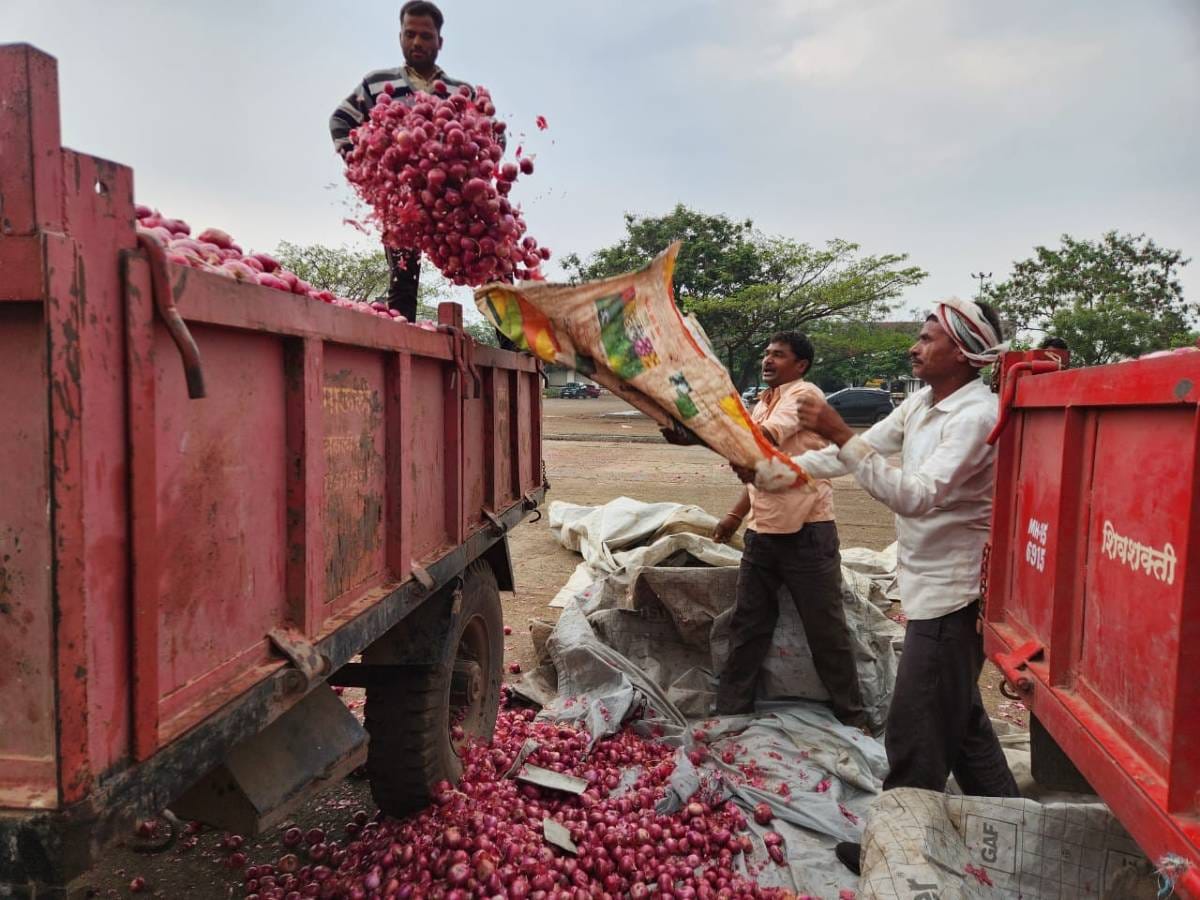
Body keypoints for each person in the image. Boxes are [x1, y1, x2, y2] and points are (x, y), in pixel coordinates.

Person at [781, 297, 1021, 875]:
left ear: (964, 351)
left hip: (955, 595)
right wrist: (774, 467)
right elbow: (852, 458)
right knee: (962, 725)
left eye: (927, 338)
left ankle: (891, 851)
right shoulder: (922, 404)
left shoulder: (976, 418)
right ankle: (1018, 833)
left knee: (914, 734)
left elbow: (914, 495)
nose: (914, 346)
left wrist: (837, 428)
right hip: (926, 585)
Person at [711, 332, 868, 730]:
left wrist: (705, 424)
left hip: (807, 534)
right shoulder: (764, 402)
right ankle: (731, 710)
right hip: (763, 532)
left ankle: (854, 716)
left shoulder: (803, 395)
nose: (768, 360)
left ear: (801, 365)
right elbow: (762, 470)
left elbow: (762, 442)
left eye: (778, 355)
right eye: (766, 353)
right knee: (747, 624)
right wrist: (733, 516)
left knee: (825, 629)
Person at [328, 1, 472, 321]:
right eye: (410, 34)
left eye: (425, 35)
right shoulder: (377, 84)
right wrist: (365, 167)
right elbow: (341, 121)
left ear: (439, 42)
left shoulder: (459, 92)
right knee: (403, 280)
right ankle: (400, 343)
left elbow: (491, 138)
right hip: (402, 202)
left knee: (490, 267)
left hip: (455, 205)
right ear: (400, 37)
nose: (417, 42)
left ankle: (517, 351)